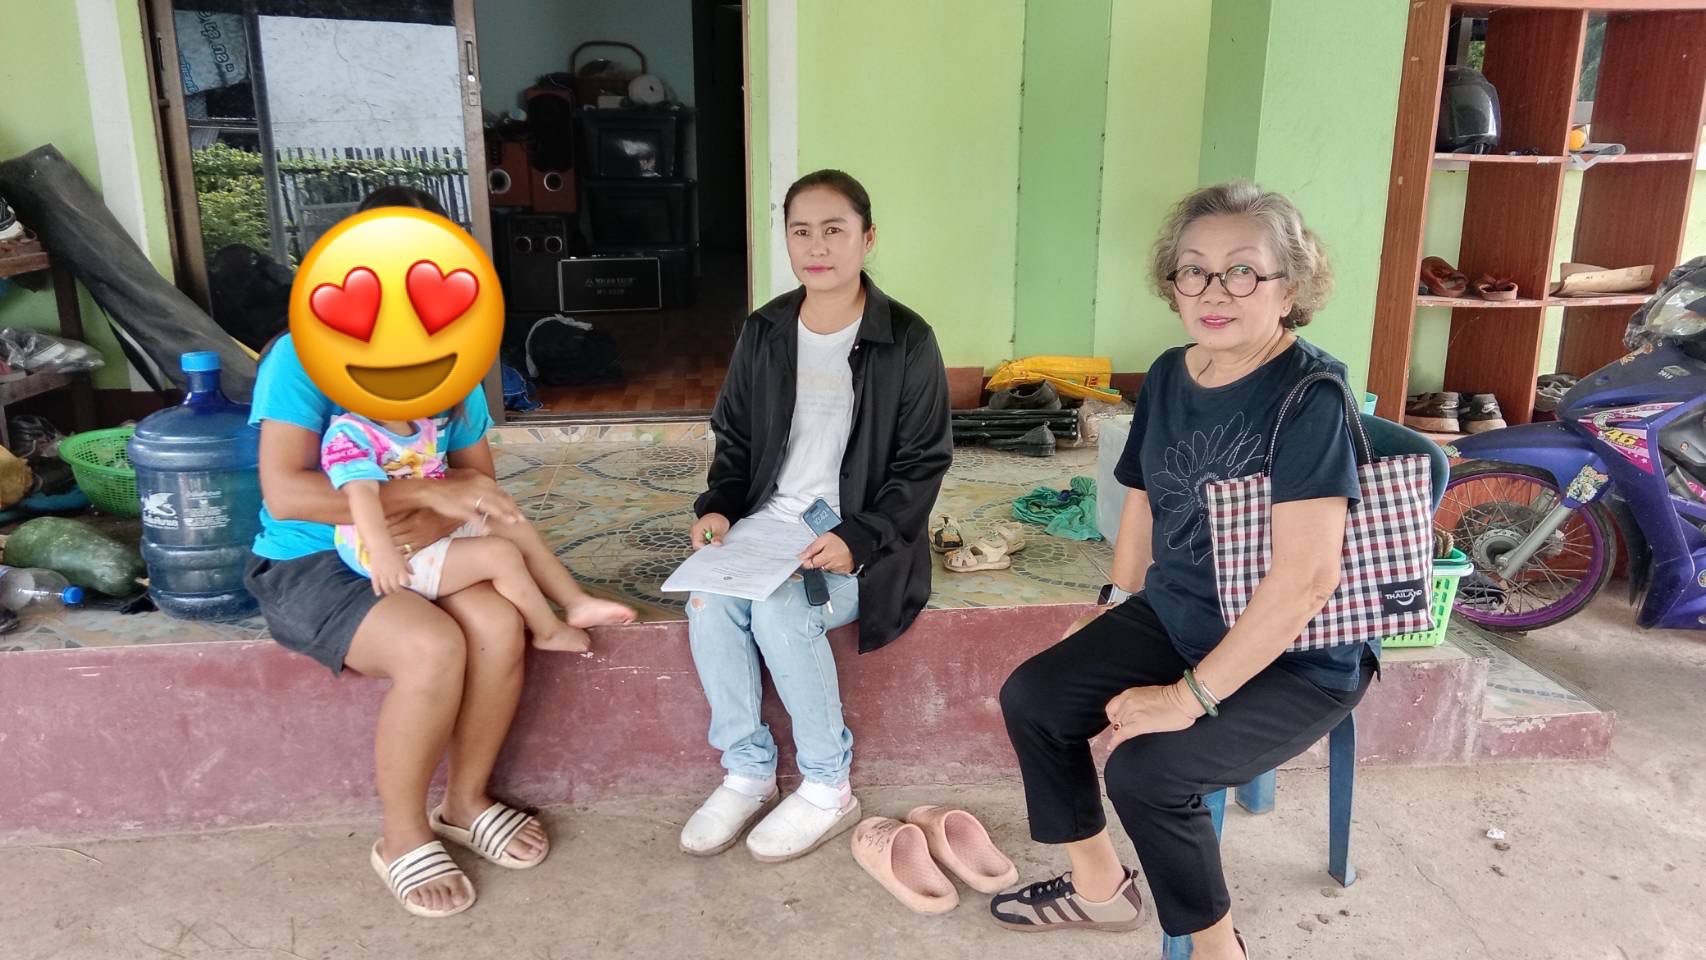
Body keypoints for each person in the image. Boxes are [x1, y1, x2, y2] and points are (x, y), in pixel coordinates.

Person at [993, 181, 1376, 959]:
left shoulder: (1310, 397)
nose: (1213, 290)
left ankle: (1218, 950)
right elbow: (1141, 496)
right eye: (1193, 269)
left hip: (1300, 658)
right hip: (1178, 614)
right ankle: (1099, 889)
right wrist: (1115, 602)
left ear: (1290, 288)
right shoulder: (1172, 372)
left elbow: (1307, 581)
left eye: (1243, 270)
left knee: (1148, 772)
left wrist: (1188, 696)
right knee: (1034, 697)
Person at [244, 187, 556, 918]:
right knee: (430, 646)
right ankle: (402, 834)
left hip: (421, 545)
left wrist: (441, 512)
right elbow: (287, 494)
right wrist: (421, 499)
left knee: (499, 621)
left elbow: (476, 481)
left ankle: (466, 801)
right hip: (311, 560)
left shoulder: (454, 357)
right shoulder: (302, 356)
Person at [678, 169, 953, 862]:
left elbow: (922, 463)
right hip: (768, 521)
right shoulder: (766, 329)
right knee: (708, 599)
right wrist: (720, 507)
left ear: (868, 238)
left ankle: (829, 785)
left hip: (863, 534)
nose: (817, 246)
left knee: (782, 612)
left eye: (835, 230)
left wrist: (858, 536)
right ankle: (747, 771)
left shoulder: (907, 339)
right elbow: (736, 437)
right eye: (801, 231)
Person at [322, 407, 634, 648]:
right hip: (392, 553)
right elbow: (360, 496)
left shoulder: (420, 423)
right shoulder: (349, 434)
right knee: (499, 555)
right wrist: (381, 553)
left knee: (511, 523)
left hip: (427, 529)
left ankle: (576, 602)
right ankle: (548, 631)